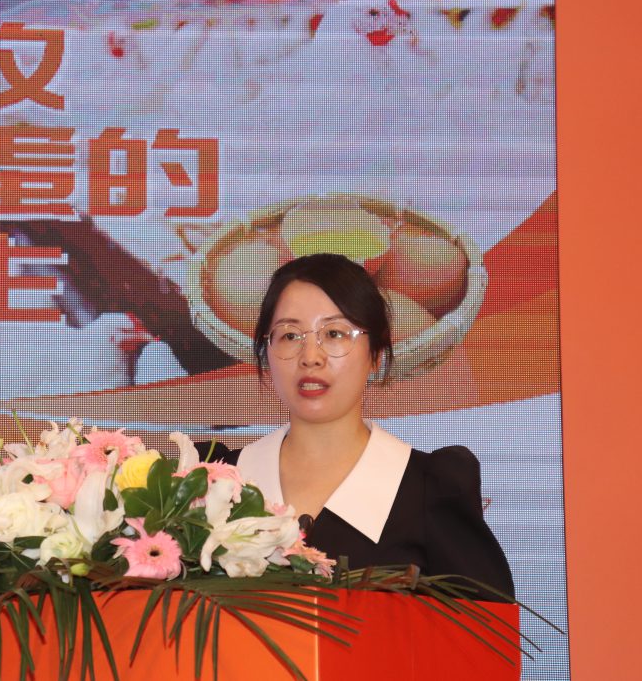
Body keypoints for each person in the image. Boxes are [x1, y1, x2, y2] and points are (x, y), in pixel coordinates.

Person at [198, 253, 514, 600]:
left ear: (375, 354)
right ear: (266, 352)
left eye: (335, 333)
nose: (311, 356)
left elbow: (489, 628)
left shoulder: (429, 489)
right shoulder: (214, 481)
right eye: (289, 335)